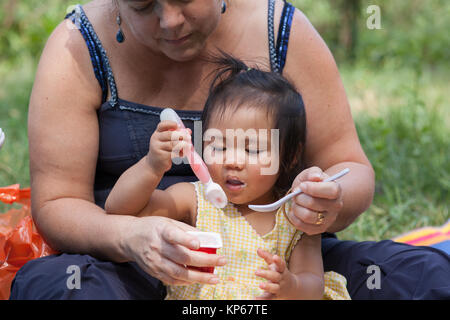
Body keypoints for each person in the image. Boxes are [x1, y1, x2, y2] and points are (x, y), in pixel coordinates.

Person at [10, 0, 450, 299]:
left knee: (423, 276)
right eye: (143, 5)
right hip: (129, 268)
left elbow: (348, 167)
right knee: (59, 287)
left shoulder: (282, 29)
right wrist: (132, 237)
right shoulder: (78, 46)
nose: (171, 21)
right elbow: (60, 203)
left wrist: (327, 202)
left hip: (273, 271)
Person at [104, 55, 350, 300]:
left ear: (290, 154)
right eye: (219, 147)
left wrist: (289, 286)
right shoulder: (195, 199)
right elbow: (120, 209)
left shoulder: (297, 215)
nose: (233, 161)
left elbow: (312, 285)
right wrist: (151, 165)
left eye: (252, 150)